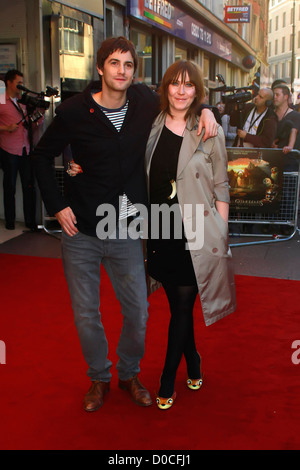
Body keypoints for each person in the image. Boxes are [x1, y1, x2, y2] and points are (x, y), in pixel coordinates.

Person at [31, 37, 218, 413]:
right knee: (86, 314)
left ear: (135, 70)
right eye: (114, 63)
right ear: (100, 68)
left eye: (128, 65)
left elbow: (181, 99)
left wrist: (208, 110)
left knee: (138, 311)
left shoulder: (145, 103)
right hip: (81, 230)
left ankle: (129, 373)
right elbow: (40, 156)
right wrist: (57, 205)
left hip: (127, 229)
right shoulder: (72, 111)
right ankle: (99, 377)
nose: (121, 71)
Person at [144, 60, 236, 410]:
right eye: (174, 84)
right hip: (160, 228)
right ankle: (193, 360)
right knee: (176, 304)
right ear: (166, 87)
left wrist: (221, 233)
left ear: (197, 91)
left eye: (188, 85)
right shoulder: (151, 124)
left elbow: (222, 185)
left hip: (196, 231)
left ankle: (168, 379)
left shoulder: (208, 130)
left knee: (183, 305)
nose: (181, 91)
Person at [0, 69, 38, 230]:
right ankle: (10, 221)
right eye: (19, 83)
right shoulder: (2, 101)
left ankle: (30, 221)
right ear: (9, 82)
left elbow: (33, 124)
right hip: (9, 149)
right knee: (9, 187)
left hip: (25, 149)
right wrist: (5, 128)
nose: (21, 86)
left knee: (29, 186)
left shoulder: (23, 102)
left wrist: (38, 116)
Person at [272, 84, 300, 155]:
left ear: (285, 97)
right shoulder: (270, 114)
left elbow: (294, 131)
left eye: (277, 95)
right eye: (273, 94)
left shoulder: (295, 115)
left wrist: (290, 146)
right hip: (271, 153)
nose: (274, 97)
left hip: (289, 156)